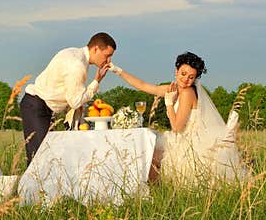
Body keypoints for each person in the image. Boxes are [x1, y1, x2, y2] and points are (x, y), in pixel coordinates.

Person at [110, 52, 247, 186]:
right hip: (178, 137)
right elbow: (143, 85)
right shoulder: (174, 88)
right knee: (149, 147)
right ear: (176, 71)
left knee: (152, 153)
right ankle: (152, 191)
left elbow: (177, 127)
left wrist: (169, 103)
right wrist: (118, 71)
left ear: (195, 79)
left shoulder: (188, 92)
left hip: (189, 141)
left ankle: (153, 192)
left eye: (191, 77)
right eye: (183, 73)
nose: (186, 79)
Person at [19, 32, 116, 164]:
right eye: (107, 55)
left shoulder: (73, 53)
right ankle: (27, 185)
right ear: (96, 49)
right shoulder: (78, 65)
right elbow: (75, 101)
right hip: (36, 107)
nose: (109, 61)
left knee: (46, 160)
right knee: (39, 161)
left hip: (40, 107)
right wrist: (96, 81)